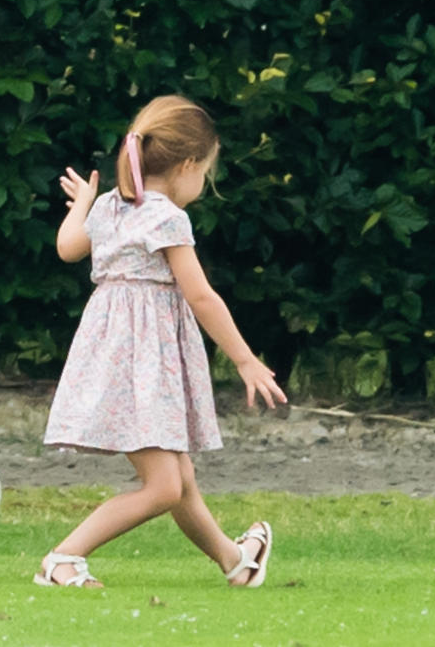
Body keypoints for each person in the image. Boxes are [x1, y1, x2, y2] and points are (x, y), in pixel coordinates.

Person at [34, 94, 288, 589]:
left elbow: (67, 247)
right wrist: (245, 360)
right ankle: (63, 558)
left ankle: (236, 561)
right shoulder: (167, 217)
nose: (203, 185)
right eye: (205, 174)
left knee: (181, 478)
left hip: (114, 356)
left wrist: (84, 205)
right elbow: (201, 296)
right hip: (141, 362)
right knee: (164, 486)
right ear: (188, 164)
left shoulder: (110, 206)